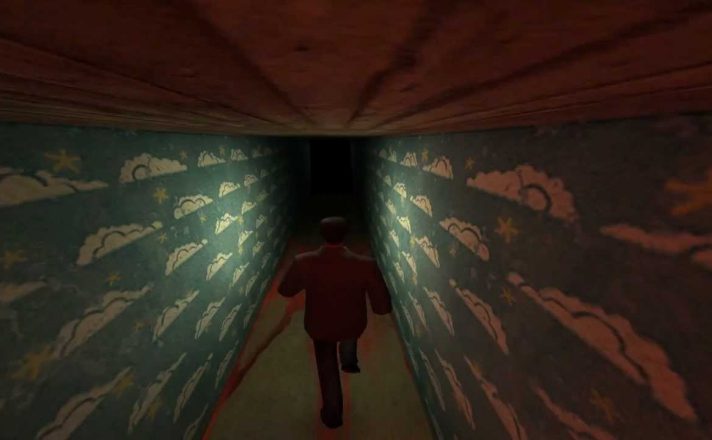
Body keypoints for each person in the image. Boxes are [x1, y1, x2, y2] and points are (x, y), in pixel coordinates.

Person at [278, 216, 392, 429]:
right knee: (349, 329)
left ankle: (332, 414)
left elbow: (286, 290)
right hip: (353, 322)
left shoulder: (304, 261)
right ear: (345, 235)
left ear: (322, 235)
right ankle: (349, 361)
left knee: (327, 367)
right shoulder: (365, 265)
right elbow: (381, 305)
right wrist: (379, 307)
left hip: (321, 325)